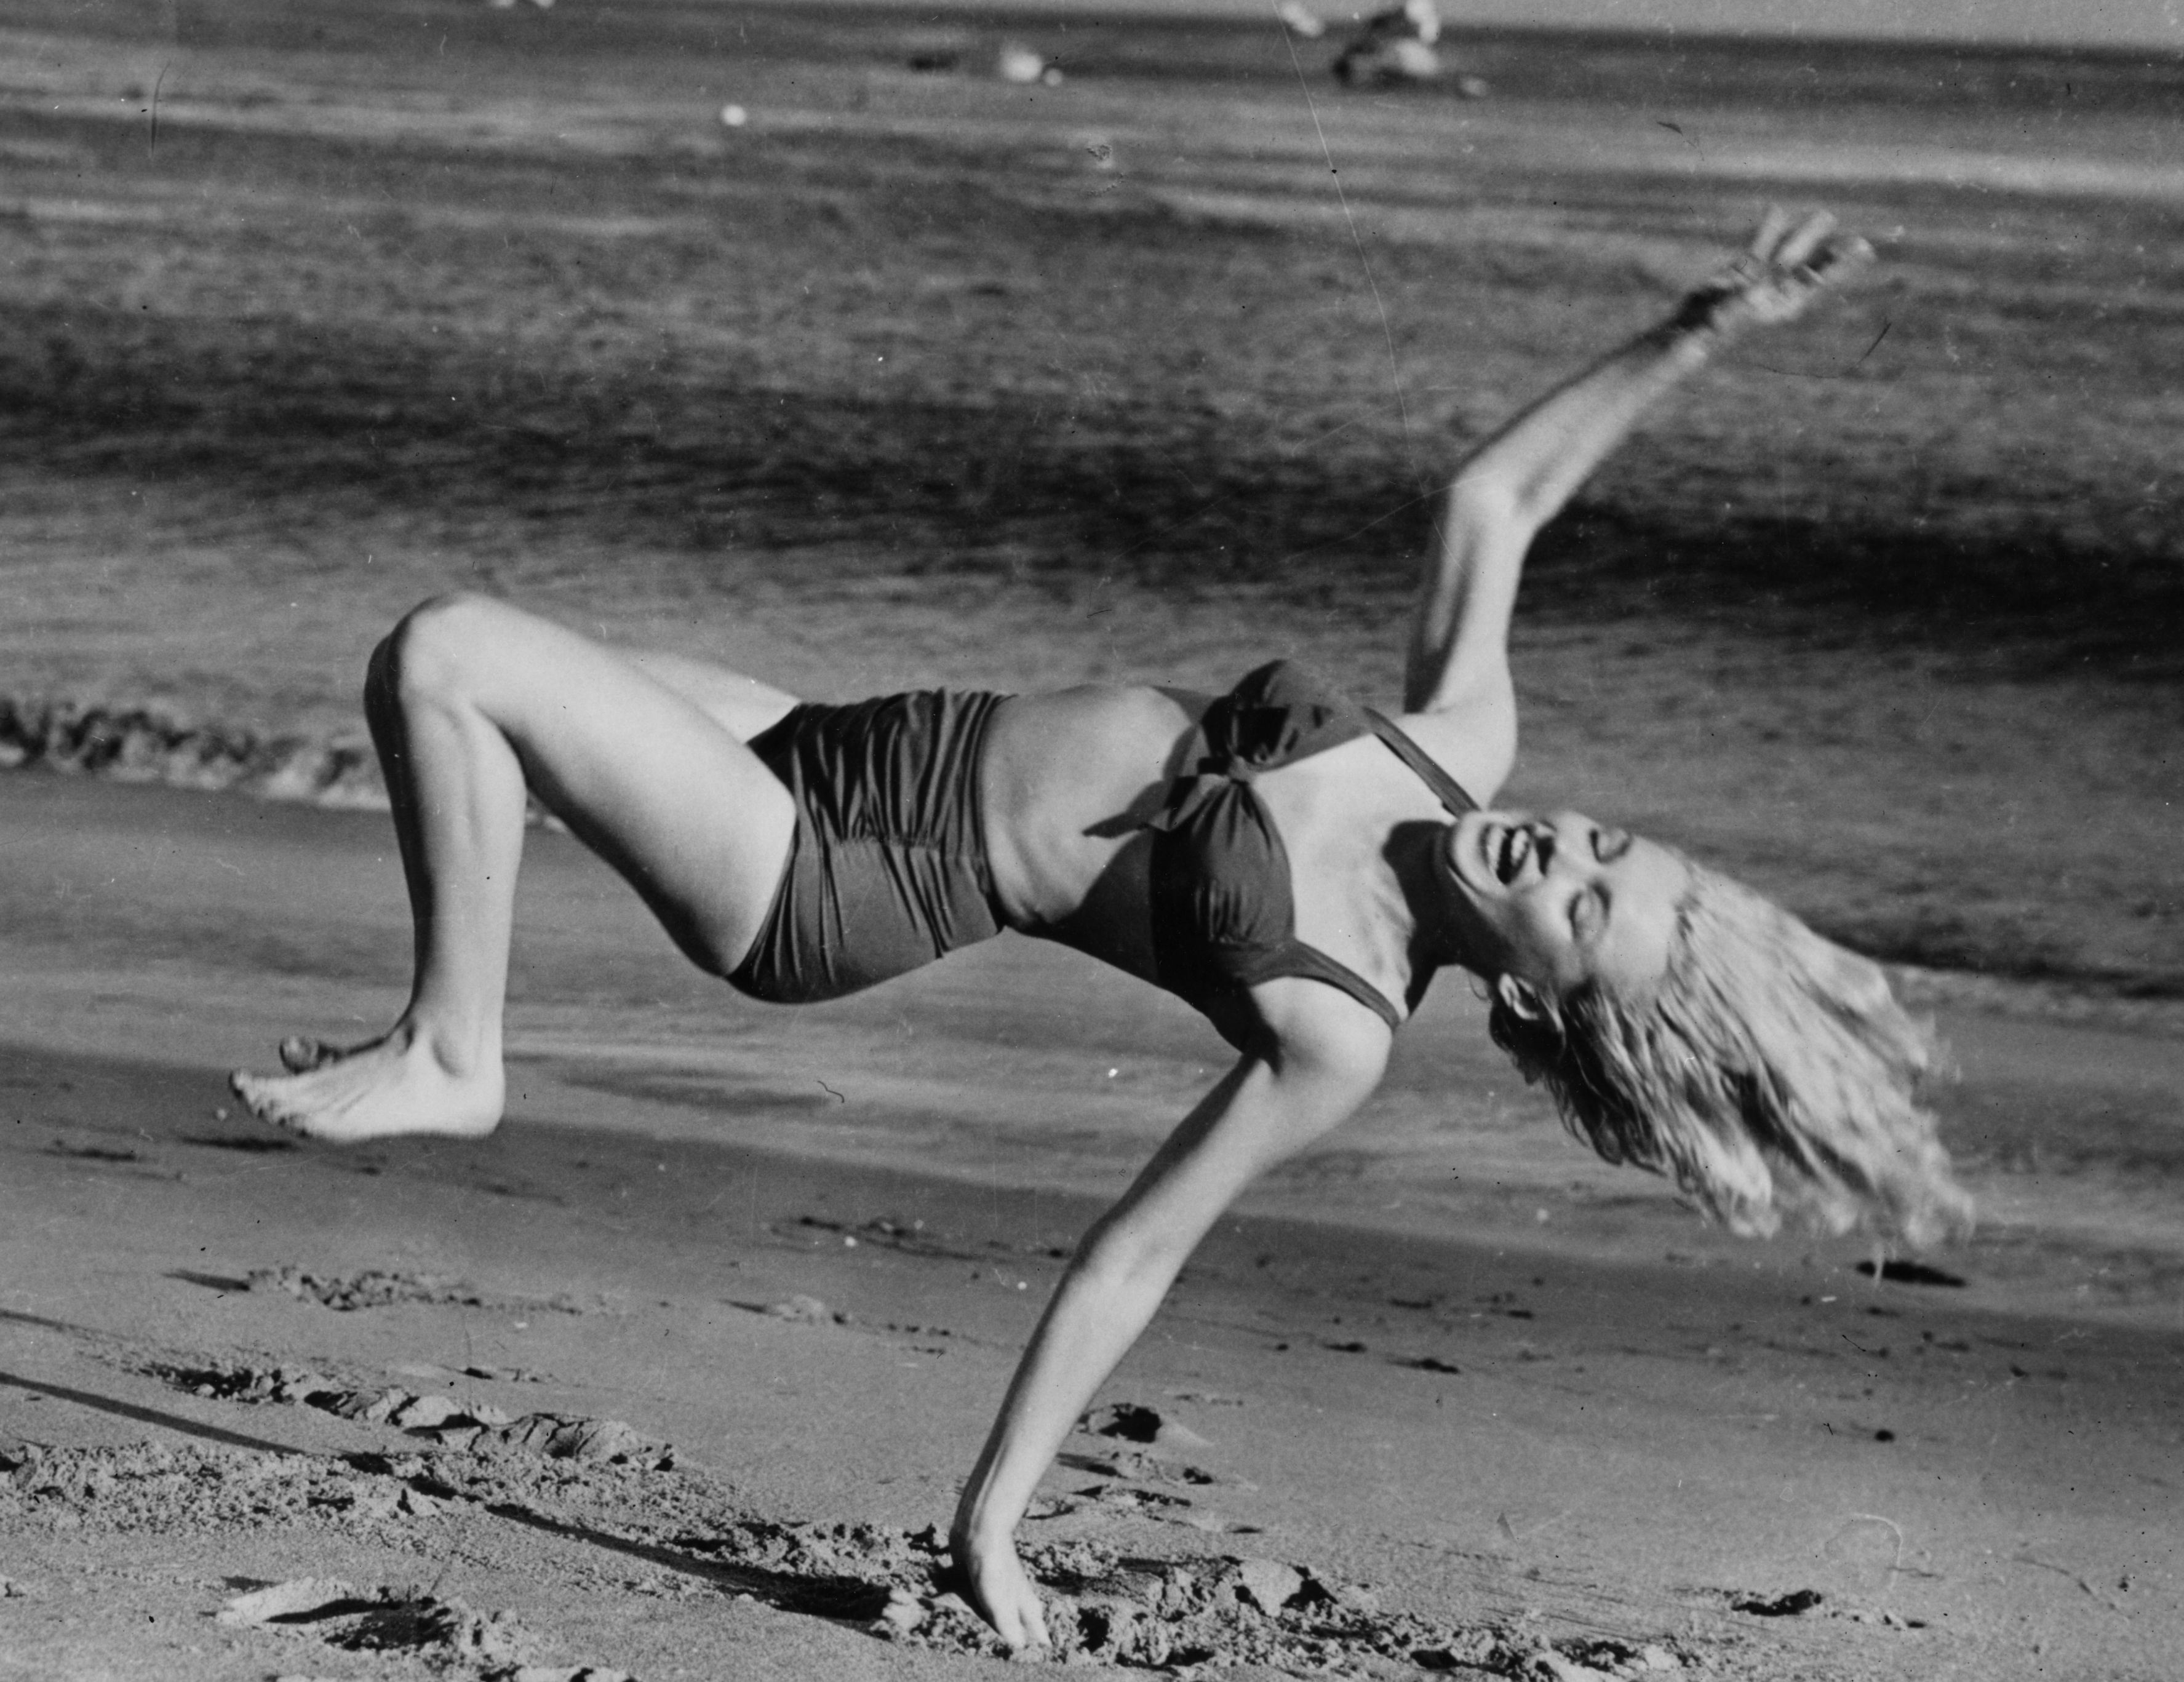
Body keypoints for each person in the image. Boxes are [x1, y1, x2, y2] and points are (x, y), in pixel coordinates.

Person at [232, 209, 1972, 1653]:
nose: (1561, 851)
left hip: (827, 885)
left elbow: (1134, 1258)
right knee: (473, 715)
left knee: (449, 652)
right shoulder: (1459, 746)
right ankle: (445, 1021)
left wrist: (991, 1520)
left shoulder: (1342, 1019)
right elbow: (1493, 504)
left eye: (1581, 906)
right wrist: (1706, 323)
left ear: (1540, 990)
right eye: (1607, 844)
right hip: (824, 741)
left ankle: (459, 1049)